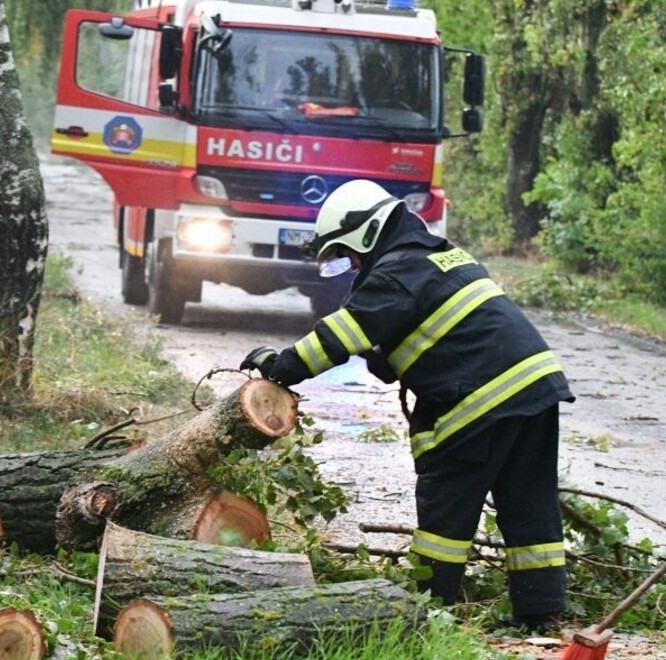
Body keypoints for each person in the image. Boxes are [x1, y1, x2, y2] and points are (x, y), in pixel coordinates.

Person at [240, 179, 575, 629]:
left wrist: (277, 367)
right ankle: (543, 614)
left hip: (479, 397)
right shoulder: (436, 256)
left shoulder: (395, 272)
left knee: (446, 505)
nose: (353, 266)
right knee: (528, 501)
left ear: (365, 233)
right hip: (535, 387)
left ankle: (429, 610)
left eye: (349, 254)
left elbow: (335, 339)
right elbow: (407, 350)